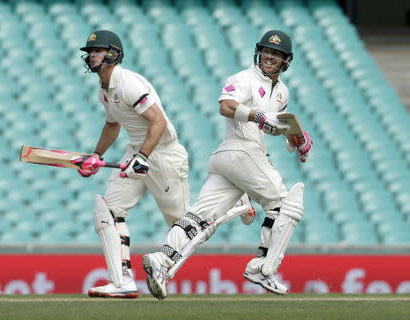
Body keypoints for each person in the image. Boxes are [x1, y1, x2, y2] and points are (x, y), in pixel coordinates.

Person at [77, 30, 255, 299]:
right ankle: (122, 281)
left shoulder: (128, 83)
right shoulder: (104, 90)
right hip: (136, 152)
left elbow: (157, 121)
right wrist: (97, 155)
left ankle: (234, 204)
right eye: (89, 52)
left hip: (162, 154)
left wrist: (143, 156)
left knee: (185, 226)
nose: (92, 56)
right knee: (108, 212)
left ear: (113, 53)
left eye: (97, 51)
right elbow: (113, 125)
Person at [142, 30, 313, 300]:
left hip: (236, 160)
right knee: (284, 205)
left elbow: (274, 125)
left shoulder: (281, 92)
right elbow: (226, 106)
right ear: (259, 52)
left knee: (199, 218)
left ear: (285, 61)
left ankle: (161, 260)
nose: (270, 57)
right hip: (239, 150)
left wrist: (297, 139)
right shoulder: (243, 78)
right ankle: (262, 267)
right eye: (267, 51)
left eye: (277, 55)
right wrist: (257, 115)